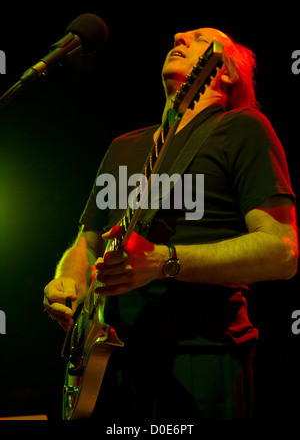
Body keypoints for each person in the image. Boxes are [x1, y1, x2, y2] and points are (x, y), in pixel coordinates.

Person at [43, 27, 298, 421]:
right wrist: (69, 284)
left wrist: (165, 262)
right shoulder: (124, 145)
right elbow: (87, 242)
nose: (178, 35)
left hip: (200, 353)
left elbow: (282, 252)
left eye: (197, 38)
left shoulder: (243, 128)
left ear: (224, 72)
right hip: (108, 362)